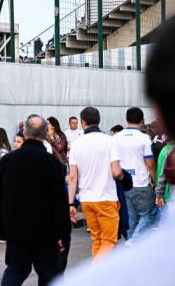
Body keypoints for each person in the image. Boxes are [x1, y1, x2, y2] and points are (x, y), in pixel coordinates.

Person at [57, 0, 175, 286]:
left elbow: (74, 175)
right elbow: (125, 168)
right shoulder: (114, 140)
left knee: (110, 235)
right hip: (117, 192)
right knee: (119, 232)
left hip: (91, 198)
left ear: (161, 116)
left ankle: (130, 244)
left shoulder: (106, 280)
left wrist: (72, 201)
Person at [0, 115, 71, 286]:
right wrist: (63, 234)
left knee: (15, 270)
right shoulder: (52, 163)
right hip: (45, 231)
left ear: (24, 133)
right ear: (45, 134)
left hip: (15, 228)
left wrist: (3, 223)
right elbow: (60, 202)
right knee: (48, 273)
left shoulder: (8, 160)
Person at [67, 107, 125, 259]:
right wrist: (123, 177)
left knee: (97, 240)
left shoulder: (76, 144)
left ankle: (99, 272)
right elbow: (117, 172)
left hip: (86, 200)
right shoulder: (109, 141)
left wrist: (71, 203)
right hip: (106, 198)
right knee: (109, 241)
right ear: (98, 120)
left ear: (83, 122)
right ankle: (97, 271)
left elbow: (72, 177)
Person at [114, 107, 157, 244]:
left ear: (126, 119)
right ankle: (133, 242)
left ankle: (131, 245)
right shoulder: (144, 138)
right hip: (141, 182)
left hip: (123, 183)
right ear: (141, 120)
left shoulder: (116, 137)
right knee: (149, 214)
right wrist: (155, 181)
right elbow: (149, 163)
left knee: (131, 219)